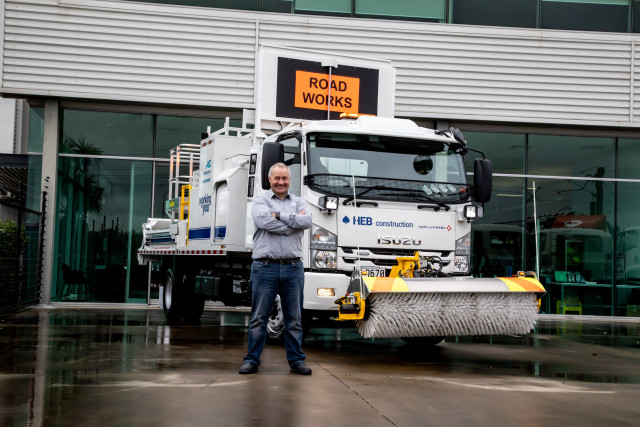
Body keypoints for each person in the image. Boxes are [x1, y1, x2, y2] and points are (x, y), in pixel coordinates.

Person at [239, 162, 313, 375]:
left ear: (289, 180)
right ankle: (252, 360)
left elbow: (307, 221)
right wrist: (292, 225)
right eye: (277, 178)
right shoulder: (260, 200)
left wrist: (279, 216)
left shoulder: (299, 201)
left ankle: (296, 361)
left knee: (294, 319)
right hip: (265, 266)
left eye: (284, 178)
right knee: (259, 318)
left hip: (293, 267)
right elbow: (264, 222)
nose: (281, 182)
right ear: (270, 179)